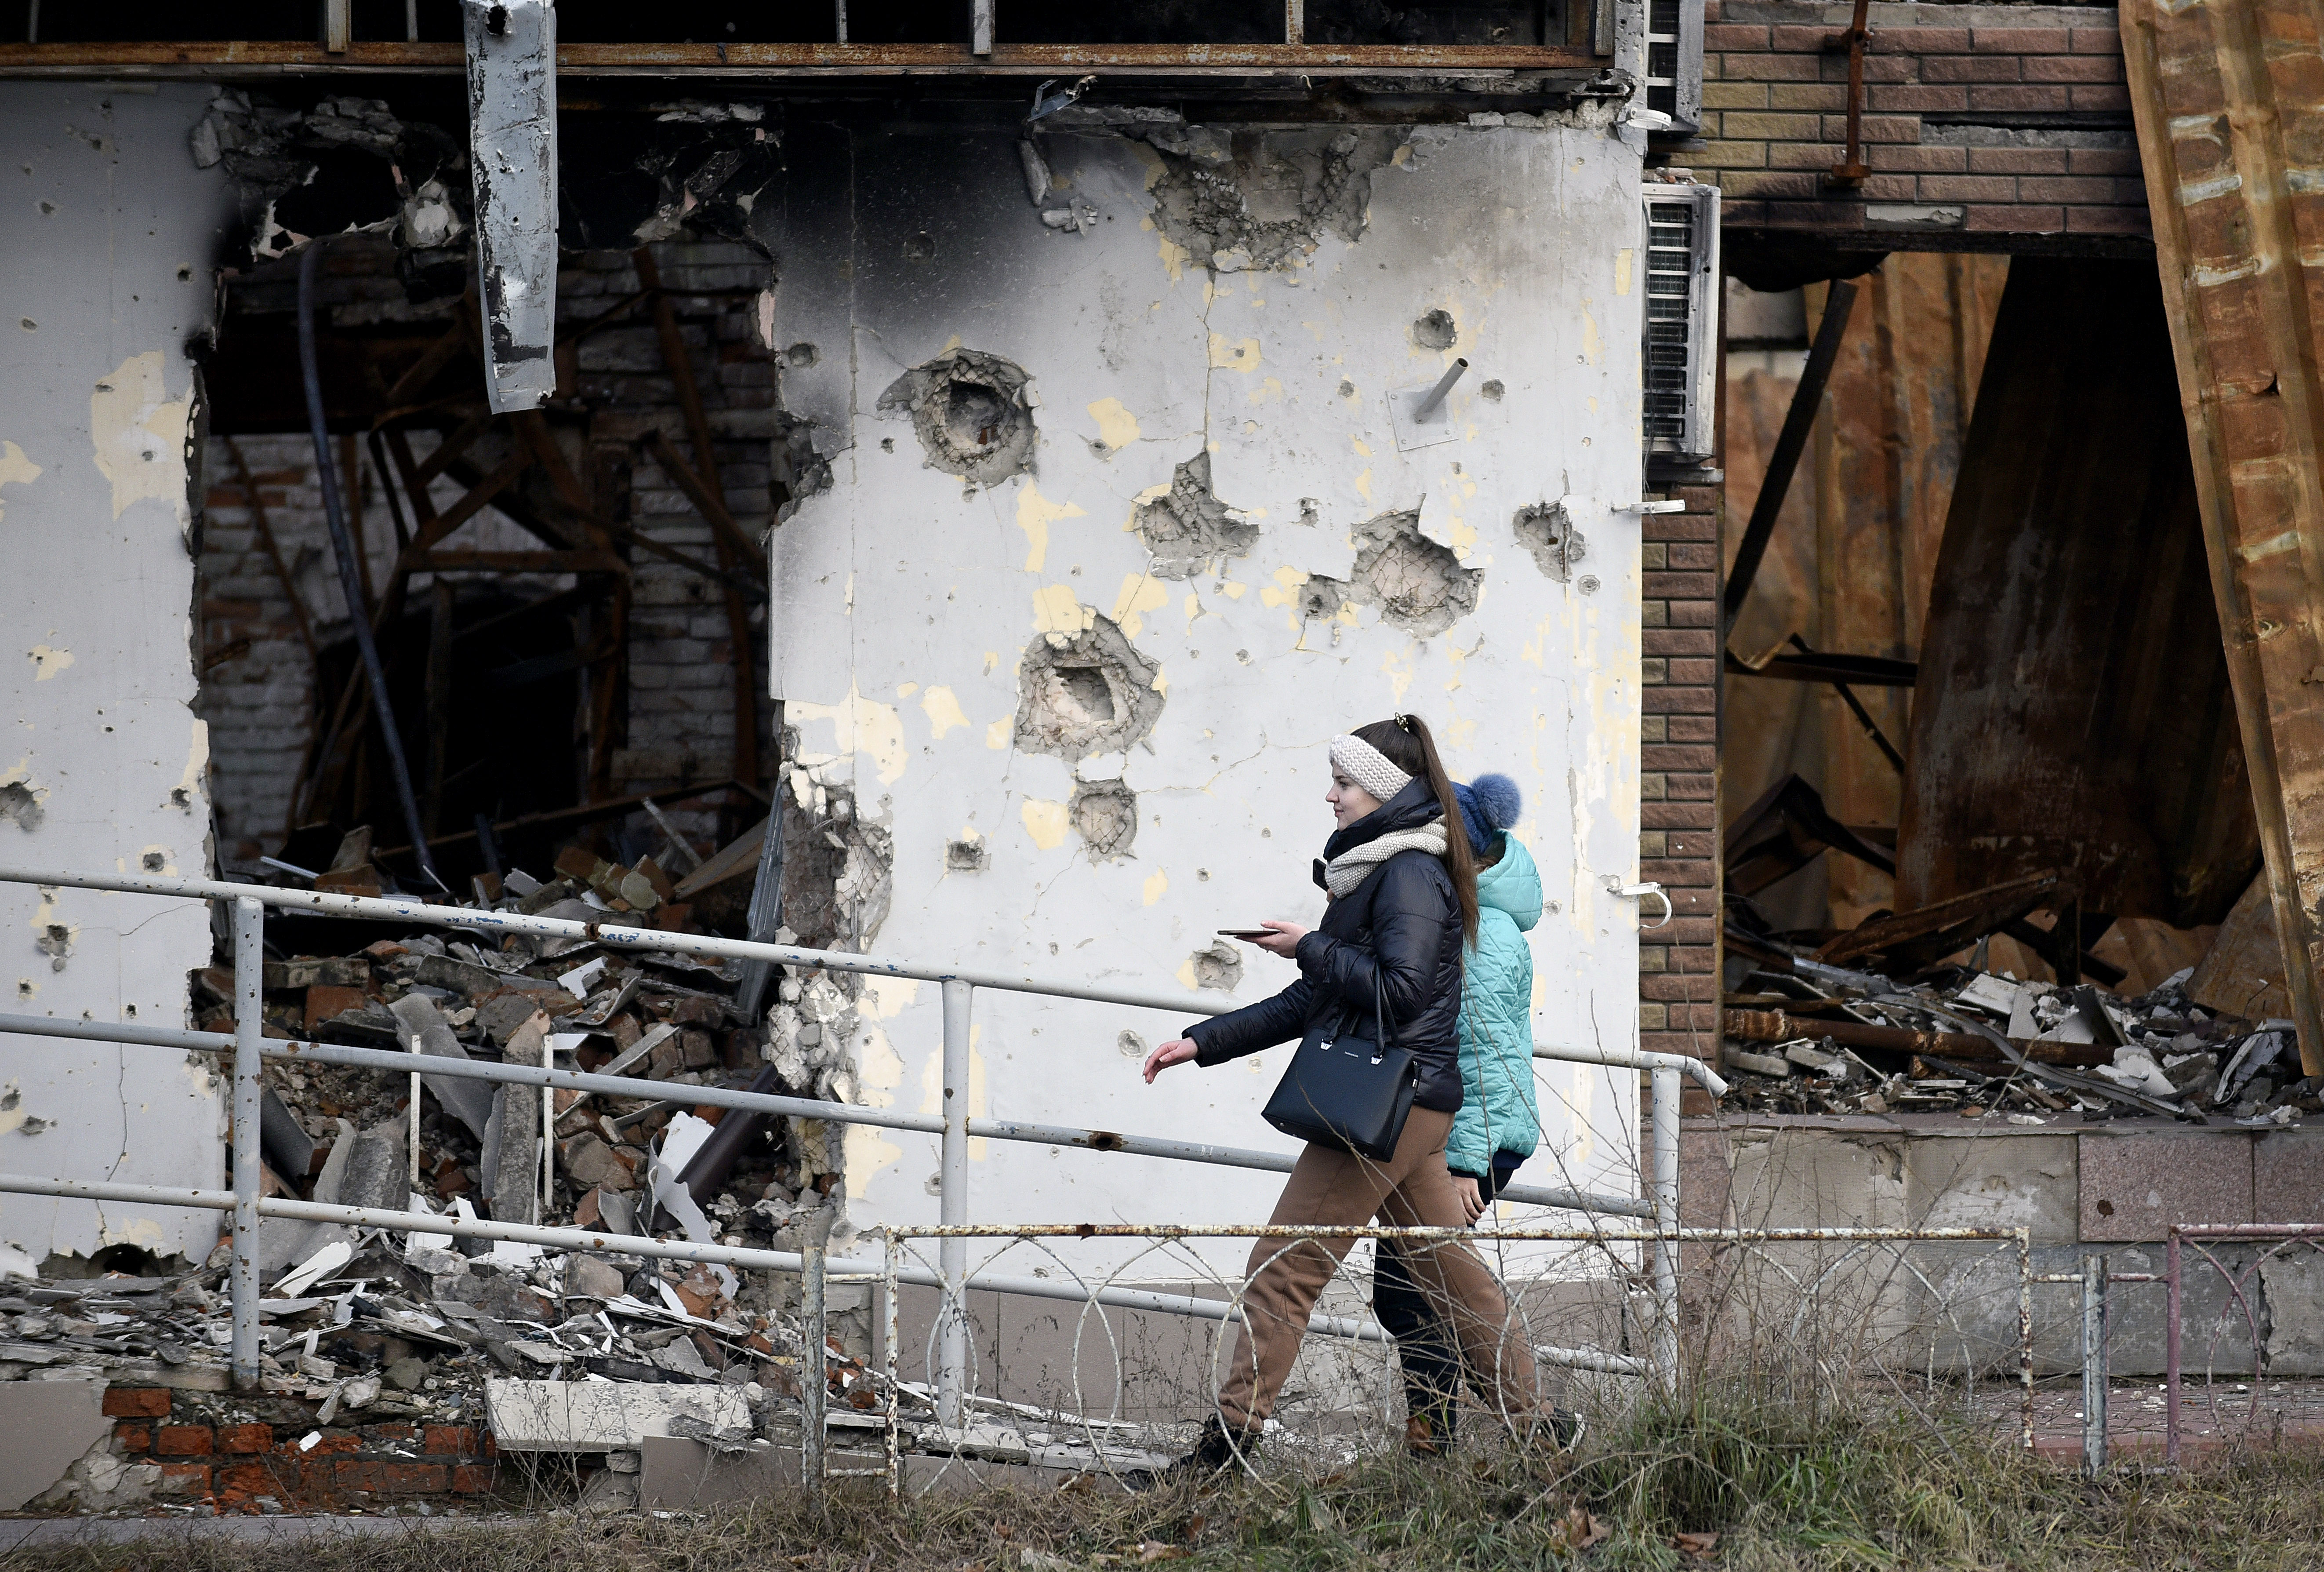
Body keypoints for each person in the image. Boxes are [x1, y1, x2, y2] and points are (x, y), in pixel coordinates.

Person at [1132, 714, 1548, 1484]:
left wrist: (1311, 947)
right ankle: (1541, 1435)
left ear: (1385, 790)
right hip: (1414, 1106)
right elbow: (1317, 1002)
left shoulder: (1410, 875)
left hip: (1380, 1107)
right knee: (1450, 1276)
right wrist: (1204, 1041)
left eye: (1345, 783)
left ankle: (1221, 1457)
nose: (1331, 797)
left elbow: (1400, 990)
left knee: (1284, 1268)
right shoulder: (1385, 870)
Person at [1369, 772, 1566, 1457]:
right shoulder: (1465, 914)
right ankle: (1465, 1436)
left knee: (1418, 1300)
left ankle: (1523, 1429)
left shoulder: (1476, 935)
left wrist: (1464, 1167)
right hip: (1451, 1133)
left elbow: (1482, 1060)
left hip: (1467, 1141)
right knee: (1414, 1297)